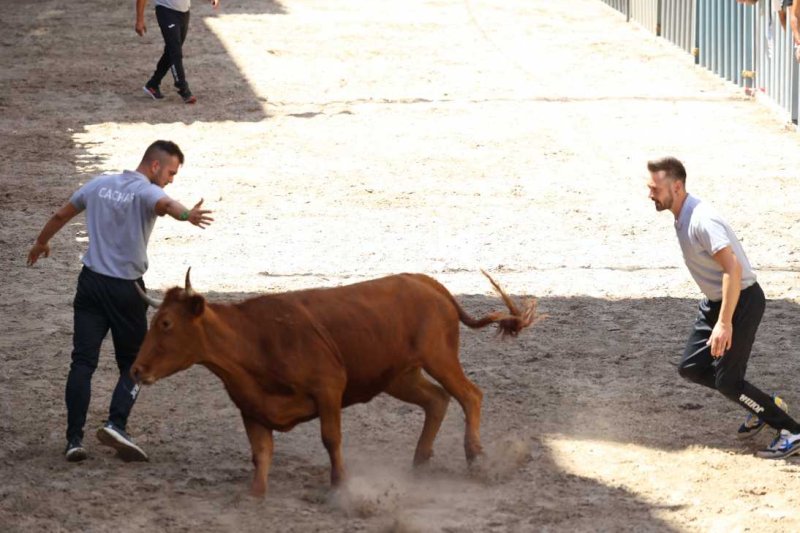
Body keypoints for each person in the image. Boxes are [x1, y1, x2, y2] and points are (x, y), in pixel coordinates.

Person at [27, 140, 213, 462]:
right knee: (134, 363)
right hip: (126, 291)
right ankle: (116, 423)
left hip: (90, 284)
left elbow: (61, 214)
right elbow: (168, 205)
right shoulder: (146, 192)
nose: (170, 179)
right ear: (154, 166)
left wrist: (42, 242)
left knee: (82, 362)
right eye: (170, 172)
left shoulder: (98, 184)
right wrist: (188, 215)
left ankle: (74, 440)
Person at [647, 156, 800, 459]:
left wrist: (725, 323)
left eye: (655, 188)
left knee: (728, 381)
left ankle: (791, 431)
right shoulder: (680, 215)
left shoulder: (702, 219)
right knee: (691, 367)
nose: (650, 194)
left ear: (677, 187)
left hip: (741, 301)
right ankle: (762, 404)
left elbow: (733, 270)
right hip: (716, 302)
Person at [136, 0, 221, 104]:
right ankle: (183, 89)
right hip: (166, 11)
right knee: (175, 52)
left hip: (184, 12)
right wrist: (139, 19)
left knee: (171, 51)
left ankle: (153, 84)